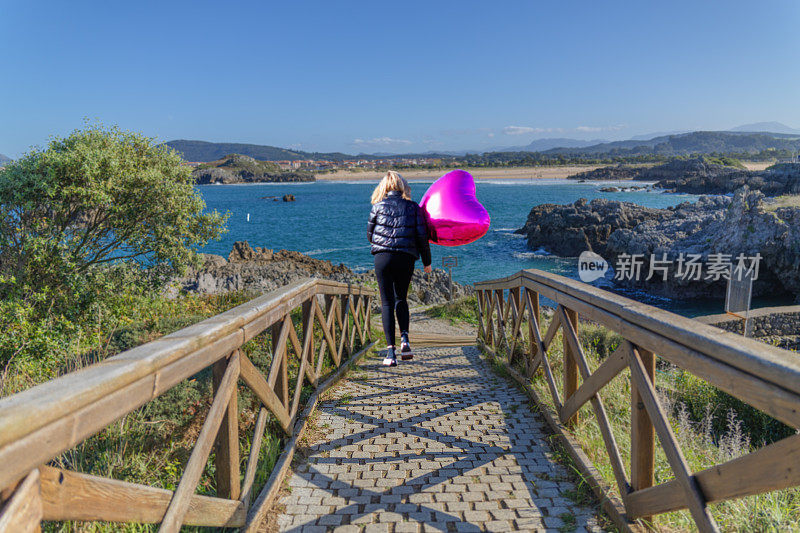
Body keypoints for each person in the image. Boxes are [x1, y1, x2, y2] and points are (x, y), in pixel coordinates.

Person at [367, 171, 432, 366]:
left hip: (383, 257)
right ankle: (405, 340)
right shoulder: (413, 207)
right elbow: (422, 238)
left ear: (384, 187)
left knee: (386, 303)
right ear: (403, 186)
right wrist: (427, 262)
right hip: (406, 257)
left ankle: (390, 354)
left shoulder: (377, 207)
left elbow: (370, 235)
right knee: (401, 298)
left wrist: (384, 242)